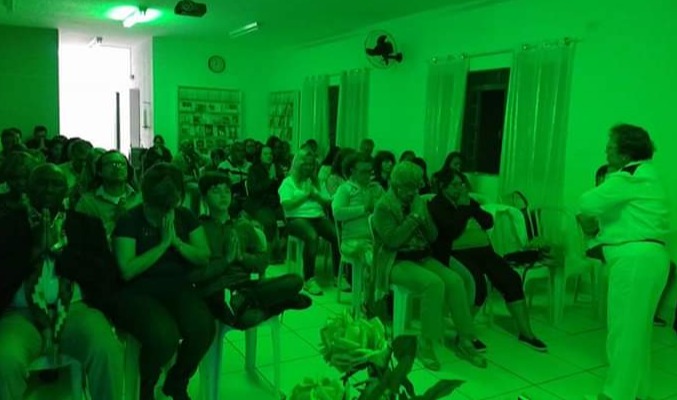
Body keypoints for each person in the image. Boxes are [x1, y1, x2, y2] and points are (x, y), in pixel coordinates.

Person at [0, 164, 124, 399]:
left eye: (56, 184)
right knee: (5, 360)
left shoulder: (86, 225)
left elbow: (103, 275)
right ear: (28, 188)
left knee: (107, 351)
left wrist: (60, 252)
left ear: (65, 191)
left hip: (75, 310)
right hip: (20, 314)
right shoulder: (7, 225)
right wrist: (34, 251)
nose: (49, 189)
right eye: (42, 183)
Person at [578, 124, 670, 400]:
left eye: (611, 146)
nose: (606, 150)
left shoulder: (629, 176)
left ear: (625, 154)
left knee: (623, 332)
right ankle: (638, 391)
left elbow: (587, 202)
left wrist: (610, 177)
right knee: (638, 332)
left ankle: (616, 394)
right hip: (650, 259)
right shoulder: (648, 175)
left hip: (635, 262)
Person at [112, 163, 215, 400]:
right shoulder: (129, 220)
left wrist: (176, 242)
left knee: (203, 328)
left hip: (177, 287)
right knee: (164, 337)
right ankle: (146, 386)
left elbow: (203, 256)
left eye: (170, 207)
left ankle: (177, 382)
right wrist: (163, 244)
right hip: (137, 291)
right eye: (157, 210)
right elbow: (127, 270)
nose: (164, 214)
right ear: (146, 200)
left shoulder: (184, 216)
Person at [371, 161, 486, 370]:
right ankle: (425, 343)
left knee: (455, 281)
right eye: (411, 187)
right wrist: (415, 218)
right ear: (398, 186)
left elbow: (432, 236)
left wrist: (423, 217)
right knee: (433, 284)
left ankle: (465, 340)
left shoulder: (417, 202)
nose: (415, 191)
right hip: (395, 261)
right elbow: (393, 241)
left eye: (417, 187)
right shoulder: (383, 206)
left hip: (422, 256)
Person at [428, 169, 546, 352]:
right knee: (478, 287)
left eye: (461, 184)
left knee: (511, 279)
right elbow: (451, 230)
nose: (460, 188)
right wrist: (465, 209)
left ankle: (526, 333)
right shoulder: (437, 204)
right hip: (456, 254)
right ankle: (464, 333)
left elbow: (488, 221)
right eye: (455, 185)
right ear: (443, 187)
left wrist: (470, 207)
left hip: (484, 251)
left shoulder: (467, 200)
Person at [192, 172, 312, 328]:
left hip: (246, 285)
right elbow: (198, 274)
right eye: (216, 191)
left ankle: (245, 300)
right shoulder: (198, 229)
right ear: (204, 198)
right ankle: (279, 303)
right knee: (250, 318)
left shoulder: (242, 225)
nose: (223, 196)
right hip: (218, 290)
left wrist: (242, 257)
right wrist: (226, 259)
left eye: (227, 191)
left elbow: (262, 263)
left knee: (295, 280)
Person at [278, 149, 342, 296]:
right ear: (298, 164)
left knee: (336, 235)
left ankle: (338, 276)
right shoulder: (288, 182)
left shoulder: (317, 182)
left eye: (311, 164)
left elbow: (327, 203)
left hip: (317, 217)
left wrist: (315, 195)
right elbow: (287, 205)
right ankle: (309, 279)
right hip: (296, 219)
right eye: (305, 164)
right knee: (312, 236)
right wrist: (306, 195)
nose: (308, 167)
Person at [331, 152, 384, 312]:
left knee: (388, 256)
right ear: (352, 171)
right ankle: (368, 304)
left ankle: (379, 302)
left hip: (375, 239)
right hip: (352, 240)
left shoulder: (376, 188)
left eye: (370, 171)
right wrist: (364, 209)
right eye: (363, 171)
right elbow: (337, 213)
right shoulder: (345, 189)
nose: (368, 175)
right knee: (372, 258)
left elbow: (386, 209)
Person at [76, 150, 141, 242]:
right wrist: (116, 221)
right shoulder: (87, 202)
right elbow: (81, 238)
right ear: (100, 171)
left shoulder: (139, 199)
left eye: (122, 164)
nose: (117, 167)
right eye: (111, 164)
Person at [244, 145, 286, 259]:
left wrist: (279, 178)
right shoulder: (254, 169)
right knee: (269, 223)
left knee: (289, 220)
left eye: (270, 153)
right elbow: (254, 190)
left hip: (275, 203)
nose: (269, 156)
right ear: (260, 156)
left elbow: (282, 188)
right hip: (258, 203)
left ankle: (279, 250)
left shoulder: (277, 168)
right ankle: (267, 253)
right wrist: (270, 179)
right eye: (265, 154)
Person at [0, 151, 39, 218]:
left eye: (26, 177)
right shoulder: (2, 202)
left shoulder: (40, 201)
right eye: (14, 178)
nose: (21, 183)